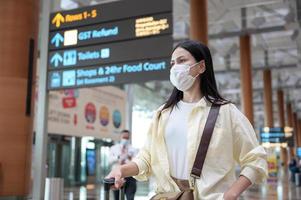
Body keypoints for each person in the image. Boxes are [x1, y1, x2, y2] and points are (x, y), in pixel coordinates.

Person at [107, 40, 268, 200]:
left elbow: (255, 158)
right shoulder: (162, 114)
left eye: (182, 60)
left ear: (201, 66)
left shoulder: (226, 112)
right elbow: (146, 159)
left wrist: (231, 194)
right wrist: (122, 170)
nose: (175, 67)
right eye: (172, 63)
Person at [109, 130, 137, 200]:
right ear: (120, 137)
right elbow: (110, 160)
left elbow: (136, 162)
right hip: (116, 177)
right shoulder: (114, 148)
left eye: (127, 138)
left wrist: (128, 158)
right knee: (117, 197)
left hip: (130, 177)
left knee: (130, 197)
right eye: (124, 137)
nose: (125, 139)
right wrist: (118, 157)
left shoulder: (133, 150)